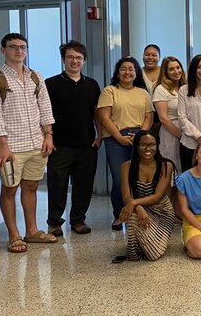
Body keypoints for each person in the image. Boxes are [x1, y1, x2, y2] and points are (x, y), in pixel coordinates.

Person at [0, 33, 57, 253]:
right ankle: (14, 235)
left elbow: (45, 107)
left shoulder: (35, 76)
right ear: (3, 50)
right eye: (13, 47)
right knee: (10, 190)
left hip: (37, 143)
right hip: (12, 147)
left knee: (31, 186)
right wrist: (2, 144)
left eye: (23, 47)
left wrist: (48, 135)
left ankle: (32, 231)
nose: (19, 51)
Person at [45, 40, 101, 237]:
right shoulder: (50, 84)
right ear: (63, 59)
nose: (74, 61)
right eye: (70, 57)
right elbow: (45, 113)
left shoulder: (92, 85)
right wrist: (48, 137)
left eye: (78, 57)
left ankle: (78, 220)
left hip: (86, 144)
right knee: (57, 185)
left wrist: (100, 135)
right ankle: (54, 223)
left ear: (84, 60)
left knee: (83, 186)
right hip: (59, 145)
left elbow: (96, 112)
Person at [98, 56, 153, 230]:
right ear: (118, 72)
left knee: (138, 177)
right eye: (124, 69)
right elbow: (104, 117)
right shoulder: (110, 91)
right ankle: (119, 216)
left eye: (131, 69)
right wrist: (119, 137)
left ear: (136, 73)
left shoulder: (143, 93)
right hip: (115, 138)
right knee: (119, 178)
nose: (127, 72)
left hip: (140, 137)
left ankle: (138, 215)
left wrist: (141, 137)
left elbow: (148, 116)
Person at [119, 130, 176, 261]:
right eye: (143, 145)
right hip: (140, 209)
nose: (148, 149)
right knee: (132, 215)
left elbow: (158, 196)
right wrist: (138, 208)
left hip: (162, 212)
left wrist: (134, 203)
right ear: (137, 146)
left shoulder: (166, 165)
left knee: (153, 255)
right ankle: (133, 252)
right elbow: (126, 196)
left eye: (152, 145)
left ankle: (147, 244)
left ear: (157, 145)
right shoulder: (126, 166)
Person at [152, 56, 186, 173]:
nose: (176, 71)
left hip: (187, 131)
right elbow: (163, 118)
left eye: (178, 67)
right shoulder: (161, 89)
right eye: (171, 69)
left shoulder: (186, 87)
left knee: (185, 166)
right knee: (171, 168)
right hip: (171, 131)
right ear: (165, 72)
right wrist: (180, 135)